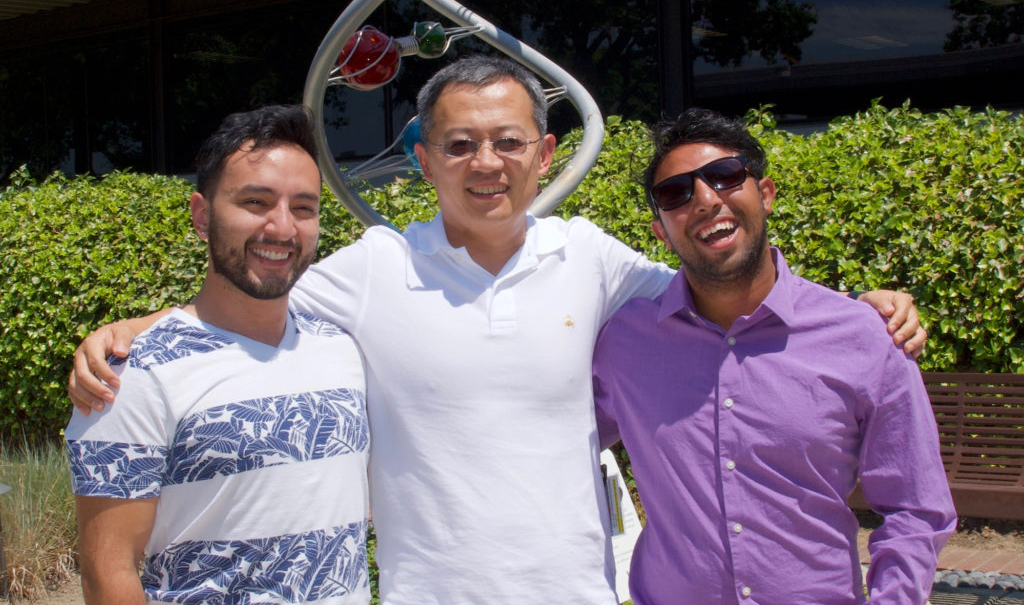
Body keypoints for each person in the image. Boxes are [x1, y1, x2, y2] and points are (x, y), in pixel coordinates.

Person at [69, 58, 925, 605]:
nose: (488, 163)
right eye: (462, 143)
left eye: (509, 141)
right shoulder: (368, 268)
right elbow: (259, 287)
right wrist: (143, 329)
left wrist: (861, 309)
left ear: (545, 154)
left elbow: (721, 285)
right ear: (423, 159)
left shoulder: (589, 259)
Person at [592, 108, 955, 605]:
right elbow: (549, 438)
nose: (704, 199)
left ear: (764, 194)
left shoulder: (863, 337)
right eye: (676, 193)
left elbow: (916, 508)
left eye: (724, 177)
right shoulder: (625, 342)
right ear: (661, 231)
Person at [65, 105, 370, 605]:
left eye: (303, 208)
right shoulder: (132, 373)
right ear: (202, 216)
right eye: (255, 201)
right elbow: (108, 572)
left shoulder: (343, 348)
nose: (282, 228)